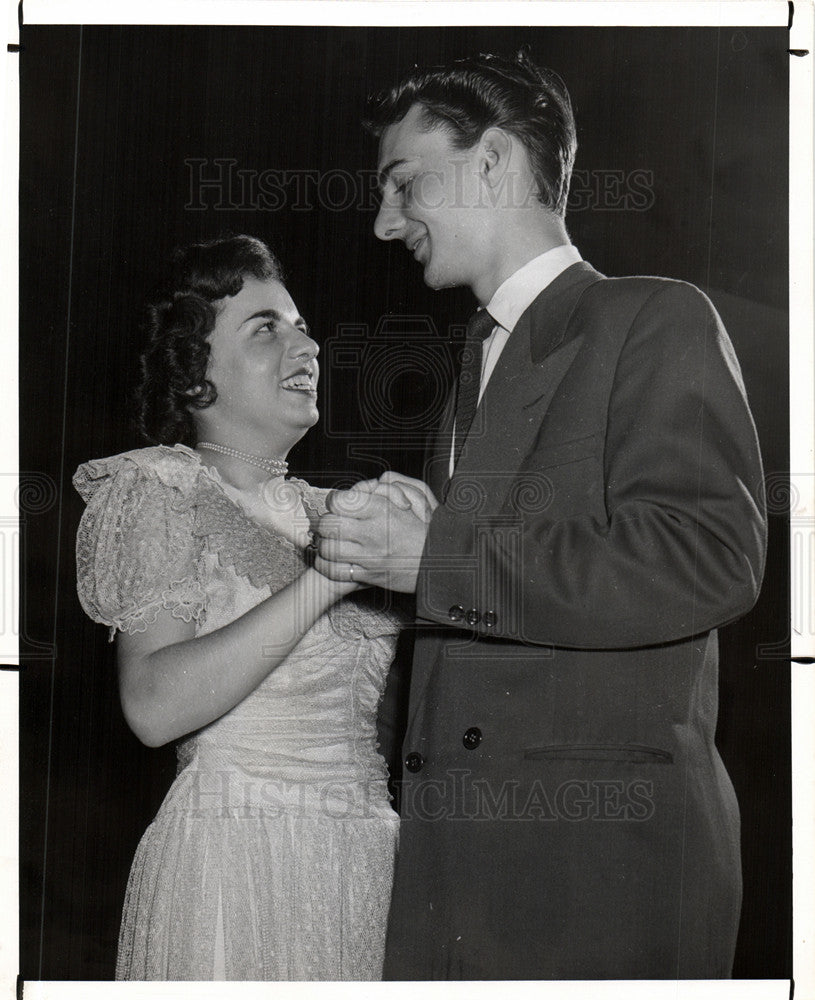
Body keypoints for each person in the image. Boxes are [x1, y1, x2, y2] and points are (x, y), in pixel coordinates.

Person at [313, 51, 767, 979]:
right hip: (456, 883)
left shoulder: (653, 318)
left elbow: (709, 557)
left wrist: (435, 555)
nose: (383, 221)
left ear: (491, 162)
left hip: (597, 883)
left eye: (403, 183)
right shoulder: (470, 370)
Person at [73, 235, 402, 981]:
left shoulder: (334, 510)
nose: (306, 345)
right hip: (238, 858)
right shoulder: (160, 492)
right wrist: (326, 579)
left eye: (301, 325)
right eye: (267, 329)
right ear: (195, 380)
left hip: (366, 863)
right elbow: (152, 707)